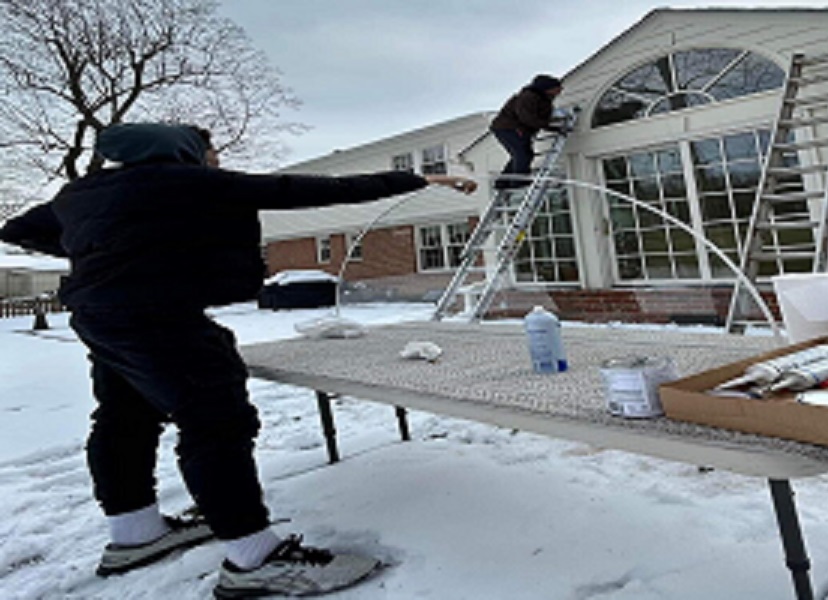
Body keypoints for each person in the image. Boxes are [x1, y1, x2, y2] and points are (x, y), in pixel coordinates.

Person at [0, 122, 477, 598]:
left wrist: (105, 245)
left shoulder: (83, 194)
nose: (217, 161)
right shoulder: (189, 182)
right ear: (183, 151)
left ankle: (135, 532)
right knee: (216, 421)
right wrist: (420, 179)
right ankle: (254, 558)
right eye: (210, 152)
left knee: (125, 416)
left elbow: (18, 228)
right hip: (160, 316)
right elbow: (321, 190)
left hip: (98, 314)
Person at [489, 74, 564, 190]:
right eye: (557, 88)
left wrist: (551, 123)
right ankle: (519, 182)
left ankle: (503, 182)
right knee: (523, 154)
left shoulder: (544, 99)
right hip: (509, 128)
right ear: (547, 88)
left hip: (514, 128)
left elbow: (540, 117)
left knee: (519, 155)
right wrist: (551, 127)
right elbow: (527, 118)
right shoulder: (528, 97)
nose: (560, 90)